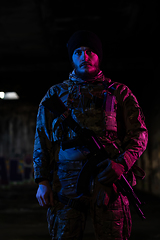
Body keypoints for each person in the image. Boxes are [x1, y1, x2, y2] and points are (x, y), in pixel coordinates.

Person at [33, 30, 148, 240]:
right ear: (72, 58)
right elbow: (42, 139)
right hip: (65, 185)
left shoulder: (119, 93)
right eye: (78, 52)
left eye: (90, 52)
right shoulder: (55, 94)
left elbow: (139, 135)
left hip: (108, 181)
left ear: (99, 56)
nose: (84, 57)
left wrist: (122, 163)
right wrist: (42, 181)